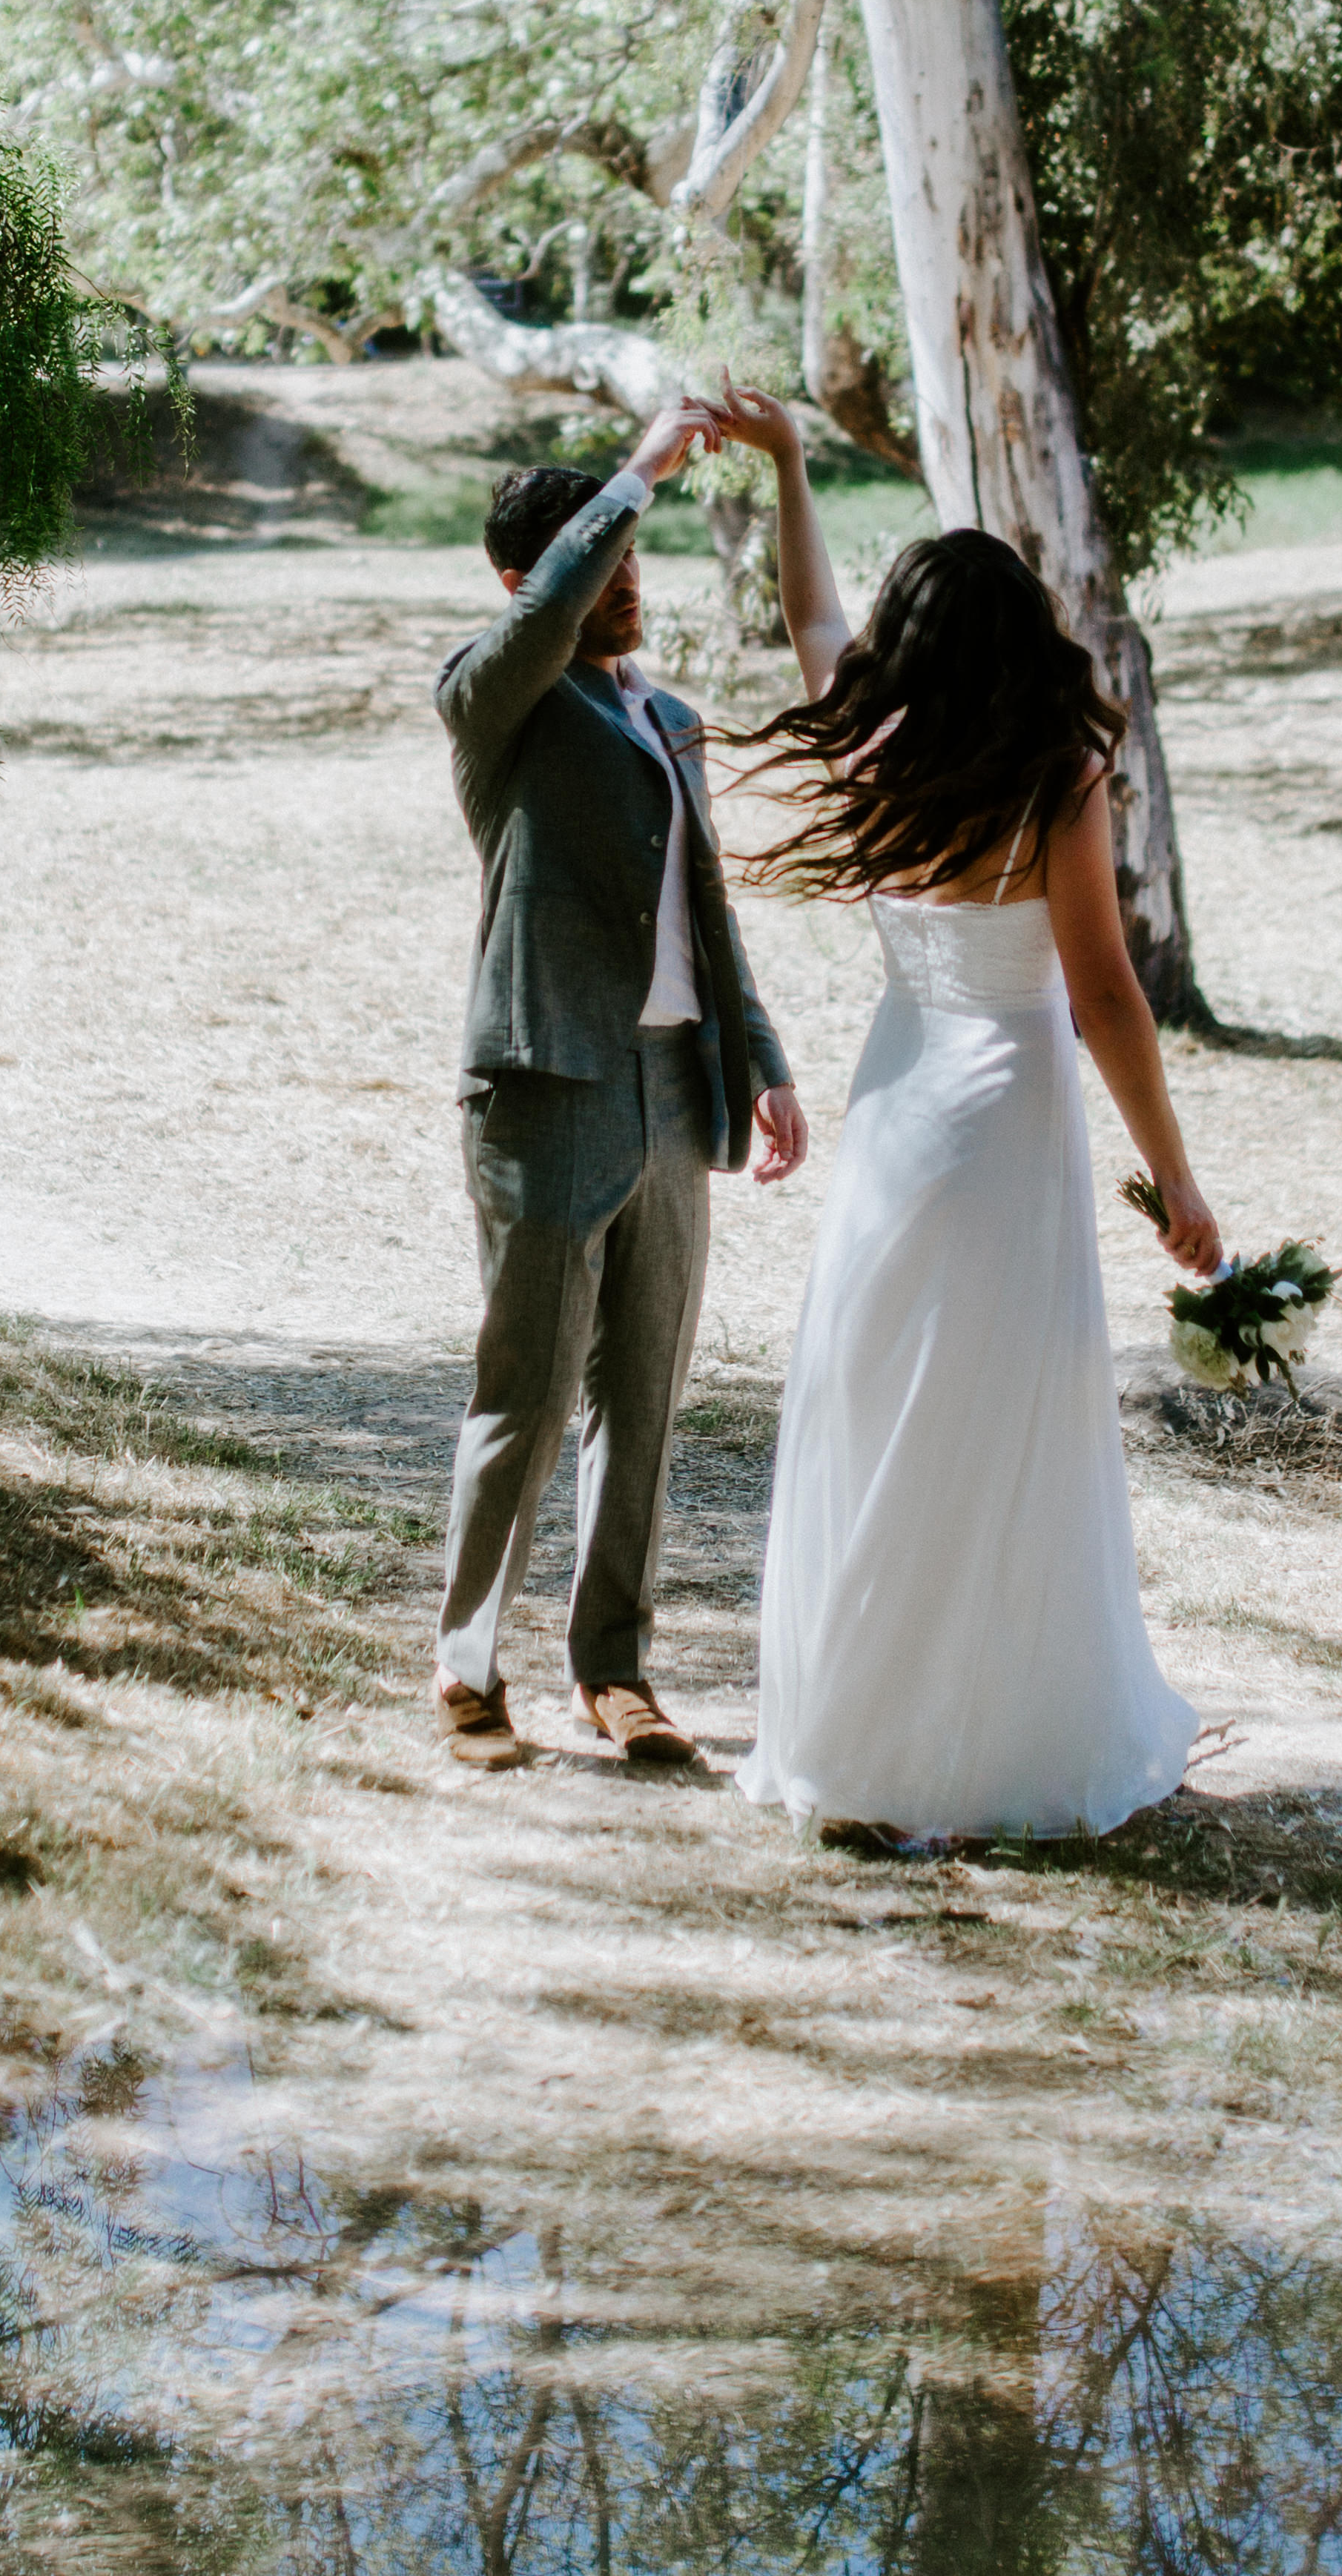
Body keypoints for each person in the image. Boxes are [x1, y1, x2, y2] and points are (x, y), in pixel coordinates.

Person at [713, 388, 1215, 1844]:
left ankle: (866, 1746)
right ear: (1021, 641)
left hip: (897, 1105)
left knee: (885, 1411)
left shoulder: (876, 742)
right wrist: (1176, 1178)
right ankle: (996, 1745)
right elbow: (1109, 994)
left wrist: (794, 464)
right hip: (1009, 1116)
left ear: (912, 642)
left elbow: (811, 621)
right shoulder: (1057, 772)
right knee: (999, 1432)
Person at [429, 394, 810, 1773]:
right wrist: (642, 470)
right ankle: (467, 1670)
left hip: (670, 1088)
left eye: (640, 559)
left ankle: (615, 1668)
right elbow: (543, 622)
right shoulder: (495, 697)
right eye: (609, 560)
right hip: (545, 1085)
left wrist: (759, 1061)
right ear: (540, 580)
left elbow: (709, 916)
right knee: (525, 1391)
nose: (631, 582)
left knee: (641, 1396)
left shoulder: (673, 720)